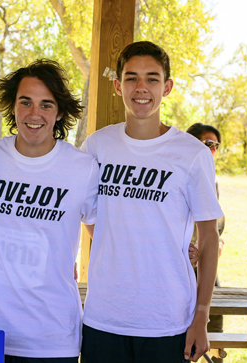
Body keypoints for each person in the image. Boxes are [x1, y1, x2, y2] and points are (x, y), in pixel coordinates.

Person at [79, 41, 222, 363]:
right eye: (131, 78)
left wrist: (201, 315)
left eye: (152, 78)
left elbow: (209, 236)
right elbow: (88, 217)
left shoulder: (192, 154)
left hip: (167, 320)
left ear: (167, 87)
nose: (141, 88)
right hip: (104, 317)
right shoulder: (97, 146)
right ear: (118, 86)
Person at [0, 59, 99, 362]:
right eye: (25, 102)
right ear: (12, 107)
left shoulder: (82, 168)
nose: (34, 114)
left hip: (53, 337)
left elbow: (104, 235)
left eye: (46, 105)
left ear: (60, 112)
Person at [186, 122, 227, 362]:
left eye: (215, 145)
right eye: (206, 144)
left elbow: (216, 224)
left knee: (217, 309)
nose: (211, 149)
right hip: (184, 258)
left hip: (205, 256)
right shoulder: (182, 171)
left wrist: (217, 241)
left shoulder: (214, 179)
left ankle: (216, 357)